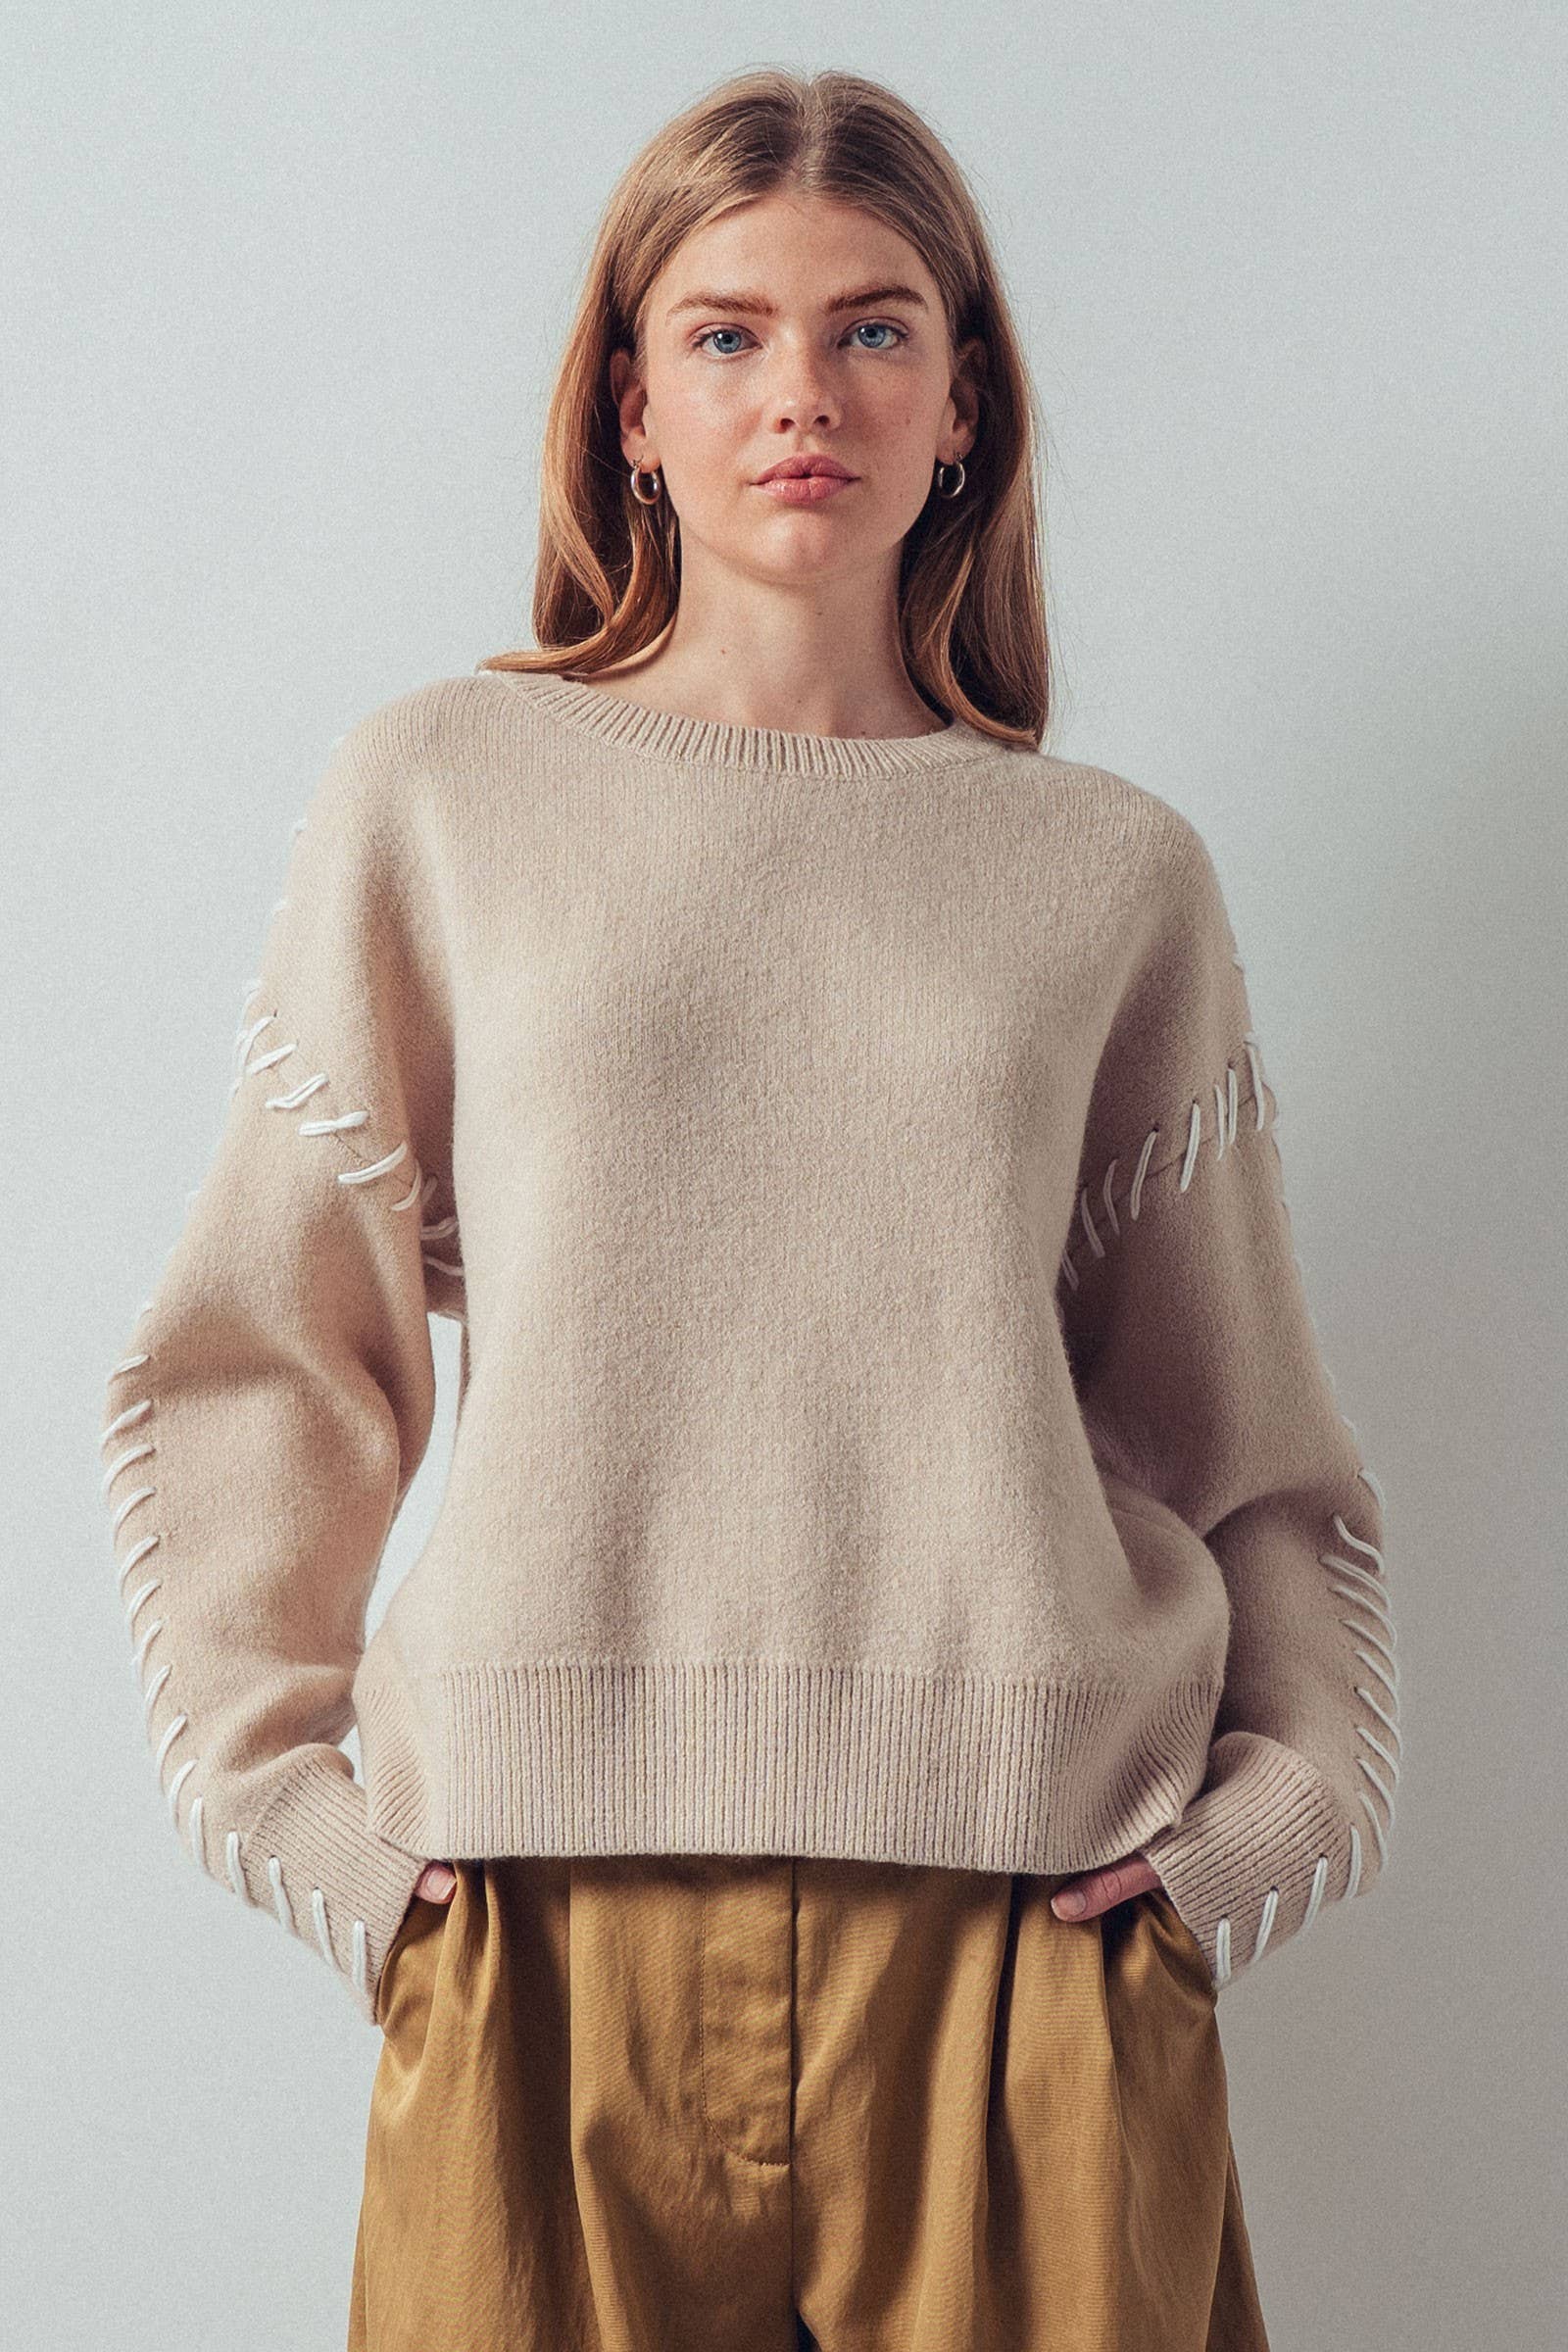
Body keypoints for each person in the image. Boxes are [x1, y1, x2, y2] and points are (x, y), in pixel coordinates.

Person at [96, 66, 1400, 2352]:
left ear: (962, 401)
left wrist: (1265, 1825)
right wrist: (294, 1814)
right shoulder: (441, 794)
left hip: (1028, 1937)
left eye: (873, 328)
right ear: (630, 404)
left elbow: (1244, 1441)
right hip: (528, 1928)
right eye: (725, 333)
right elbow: (263, 1355)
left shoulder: (1107, 874)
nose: (802, 392)